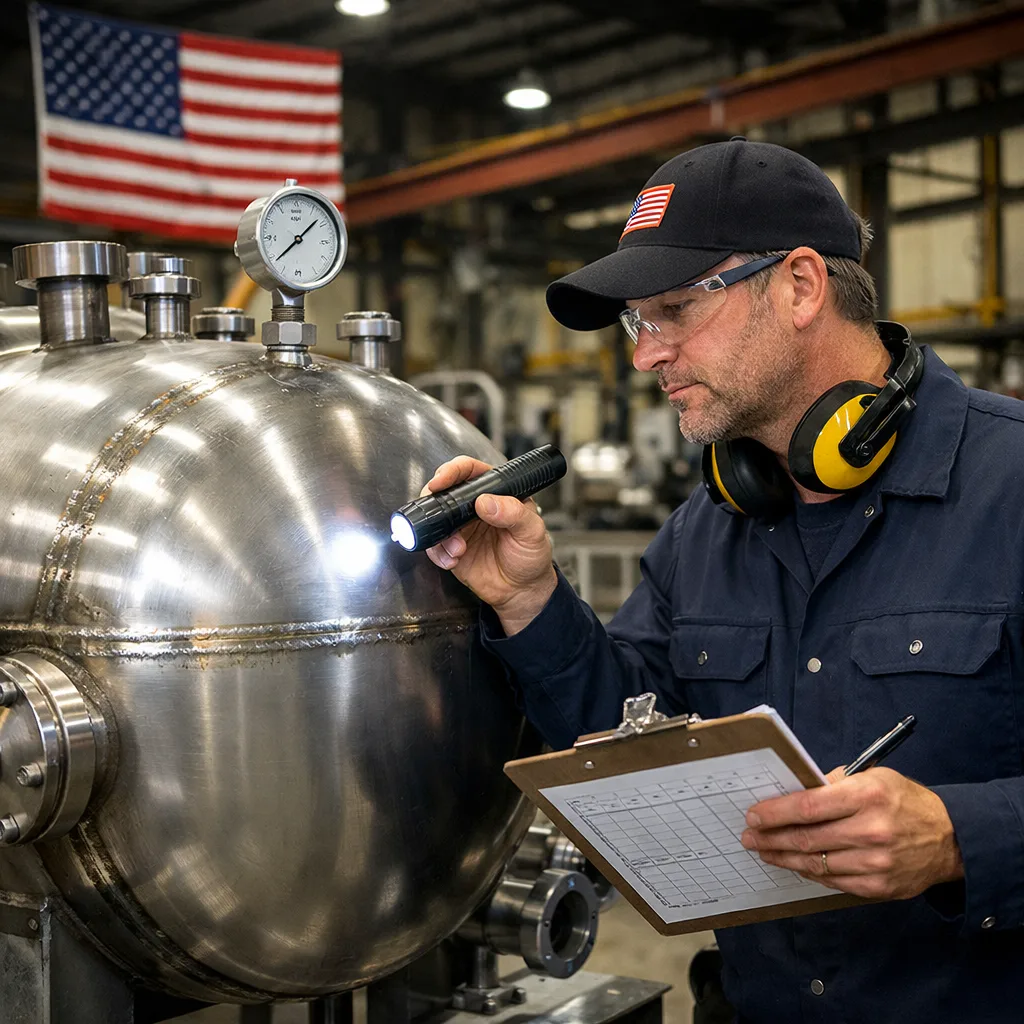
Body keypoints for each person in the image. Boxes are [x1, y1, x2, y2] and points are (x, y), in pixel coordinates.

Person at [422, 138, 1024, 1023]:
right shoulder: (702, 534)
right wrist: (528, 598)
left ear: (802, 286)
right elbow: (625, 745)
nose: (645, 355)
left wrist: (961, 839)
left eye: (673, 309)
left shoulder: (1010, 482)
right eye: (637, 322)